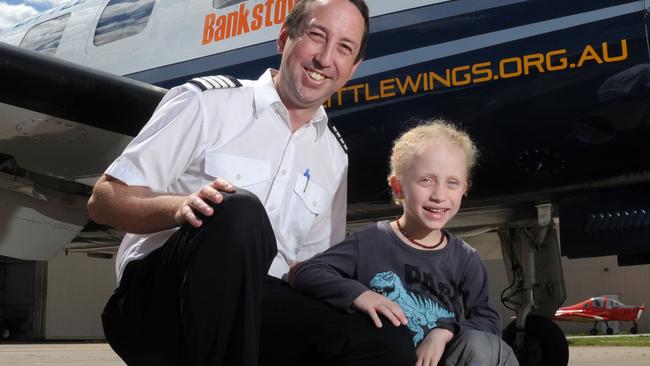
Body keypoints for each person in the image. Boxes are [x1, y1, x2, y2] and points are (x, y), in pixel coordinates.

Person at [86, 0, 369, 364]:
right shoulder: (206, 102)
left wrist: (362, 296)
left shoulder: (334, 156)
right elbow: (105, 200)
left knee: (381, 340)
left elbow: (311, 268)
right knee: (236, 210)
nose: (325, 58)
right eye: (316, 36)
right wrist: (180, 207)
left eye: (344, 48)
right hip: (161, 301)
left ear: (354, 66)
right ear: (284, 38)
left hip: (259, 305)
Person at [291, 120, 519, 366]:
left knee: (484, 347)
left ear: (465, 188)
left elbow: (487, 321)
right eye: (426, 180)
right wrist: (360, 295)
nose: (439, 195)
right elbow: (306, 271)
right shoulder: (370, 241)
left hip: (442, 359)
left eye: (452, 182)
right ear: (398, 187)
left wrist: (444, 332)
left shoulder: (466, 258)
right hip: (384, 356)